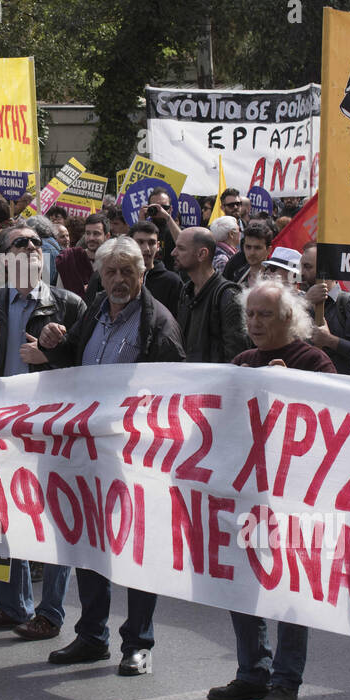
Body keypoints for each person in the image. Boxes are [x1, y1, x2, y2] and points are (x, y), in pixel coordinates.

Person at [38, 236, 184, 676]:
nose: (118, 280)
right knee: (89, 544)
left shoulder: (158, 324)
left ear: (143, 272)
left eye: (127, 271)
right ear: (99, 275)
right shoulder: (96, 310)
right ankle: (91, 636)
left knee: (137, 549)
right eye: (110, 272)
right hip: (88, 453)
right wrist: (52, 342)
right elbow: (71, 366)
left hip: (136, 457)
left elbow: (172, 393)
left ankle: (138, 643)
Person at [206, 279, 335, 700]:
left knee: (290, 588)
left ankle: (285, 679)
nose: (254, 322)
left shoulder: (314, 362)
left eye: (264, 314)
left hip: (296, 499)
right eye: (250, 314)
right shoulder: (243, 361)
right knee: (244, 584)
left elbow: (332, 423)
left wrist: (292, 388)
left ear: (287, 319)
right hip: (249, 495)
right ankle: (252, 671)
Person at [0, 225, 86, 640]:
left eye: (36, 243)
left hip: (50, 428)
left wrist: (49, 355)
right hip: (2, 429)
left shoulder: (69, 305)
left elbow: (90, 370)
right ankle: (12, 605)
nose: (31, 247)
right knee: (3, 514)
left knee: (54, 519)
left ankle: (50, 612)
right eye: (20, 242)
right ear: (2, 259)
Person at [298, 242, 350, 377]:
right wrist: (305, 302)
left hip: (341, 388)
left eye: (308, 267)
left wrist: (330, 340)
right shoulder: (301, 301)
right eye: (301, 266)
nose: (302, 273)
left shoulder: (348, 304)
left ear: (326, 270)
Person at [173, 226, 249, 363]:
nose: (173, 253)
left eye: (181, 248)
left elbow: (235, 357)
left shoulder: (228, 296)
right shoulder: (186, 292)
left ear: (202, 254)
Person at [55, 211, 107, 298]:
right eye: (88, 233)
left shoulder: (112, 262)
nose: (91, 238)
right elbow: (60, 295)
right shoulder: (70, 259)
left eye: (96, 233)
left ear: (107, 236)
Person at [235, 220, 275, 286]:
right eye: (248, 247)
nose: (252, 252)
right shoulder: (237, 274)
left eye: (257, 248)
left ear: (269, 250)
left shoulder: (275, 282)